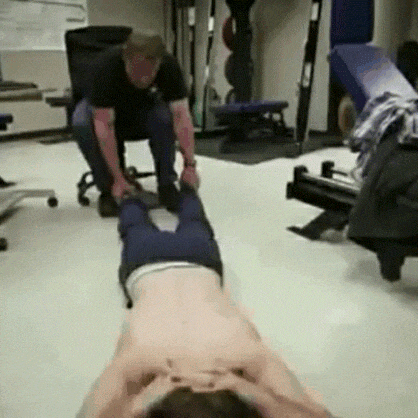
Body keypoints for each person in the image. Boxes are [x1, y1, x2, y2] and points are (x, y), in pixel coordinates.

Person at [76, 174, 339, 418]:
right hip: (176, 262)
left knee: (169, 223)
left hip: (164, 262)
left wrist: (140, 403)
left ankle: (153, 191)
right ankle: (160, 191)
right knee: (154, 224)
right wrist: (248, 391)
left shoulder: (244, 357)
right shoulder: (246, 356)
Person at [72, 31, 197, 217]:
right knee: (81, 122)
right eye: (137, 72)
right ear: (125, 60)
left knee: (164, 117)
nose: (143, 79)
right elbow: (104, 124)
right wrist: (117, 178)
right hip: (104, 110)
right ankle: (108, 188)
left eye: (149, 73)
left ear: (159, 63)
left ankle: (166, 184)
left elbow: (181, 116)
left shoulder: (169, 66)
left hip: (143, 107)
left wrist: (190, 166)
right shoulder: (105, 67)